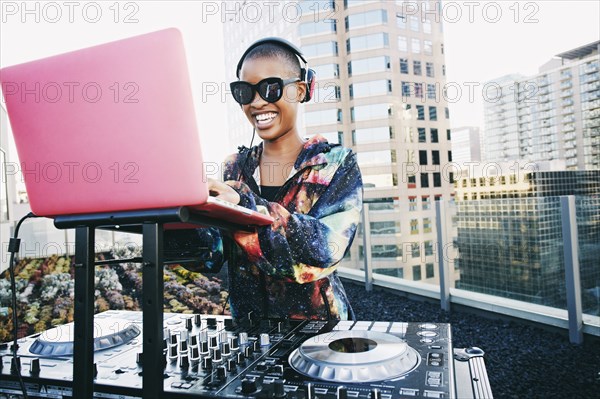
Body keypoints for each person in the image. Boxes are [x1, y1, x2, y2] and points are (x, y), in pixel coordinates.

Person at [166, 38, 363, 320]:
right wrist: (176, 217)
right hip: (249, 335)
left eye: (270, 88)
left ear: (301, 90)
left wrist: (243, 206)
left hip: (320, 338)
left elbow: (324, 251)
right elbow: (212, 254)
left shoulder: (336, 164)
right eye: (244, 92)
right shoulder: (233, 168)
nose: (257, 102)